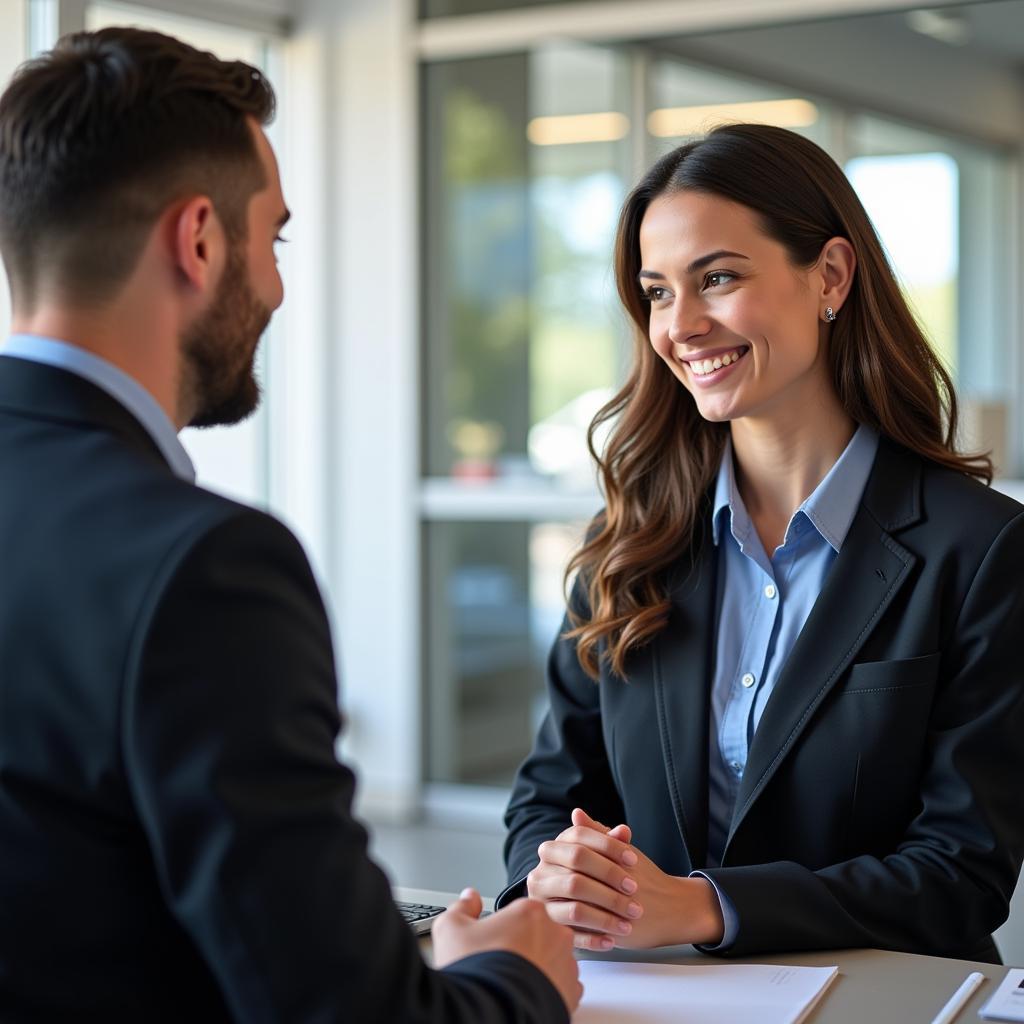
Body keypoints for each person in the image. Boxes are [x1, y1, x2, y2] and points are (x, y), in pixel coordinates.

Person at [0, 27, 580, 1022]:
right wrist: (517, 974)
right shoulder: (203, 567)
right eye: (272, 237)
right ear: (197, 240)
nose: (273, 285)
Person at [499, 123, 1024, 964]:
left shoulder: (983, 550)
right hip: (654, 1000)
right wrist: (557, 874)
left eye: (717, 278)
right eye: (658, 291)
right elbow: (548, 799)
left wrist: (706, 907)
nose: (682, 325)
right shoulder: (629, 543)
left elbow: (960, 873)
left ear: (830, 276)